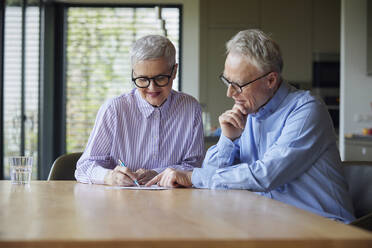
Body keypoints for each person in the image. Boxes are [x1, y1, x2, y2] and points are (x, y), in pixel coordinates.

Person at [147, 29, 355, 223]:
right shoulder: (248, 112)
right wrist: (228, 139)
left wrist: (192, 176)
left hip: (326, 229)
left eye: (238, 85)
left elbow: (266, 175)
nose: (229, 93)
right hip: (273, 224)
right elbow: (209, 177)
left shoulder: (307, 111)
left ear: (271, 80)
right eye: (226, 81)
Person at [75, 35, 205, 186]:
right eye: (143, 79)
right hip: (119, 204)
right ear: (133, 74)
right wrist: (109, 176)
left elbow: (195, 167)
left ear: (174, 71)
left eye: (161, 78)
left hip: (173, 203)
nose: (152, 88)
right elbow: (84, 167)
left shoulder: (190, 108)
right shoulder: (114, 110)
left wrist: (157, 173)